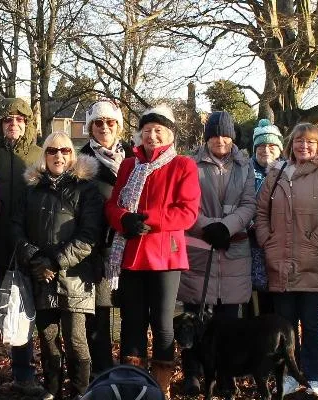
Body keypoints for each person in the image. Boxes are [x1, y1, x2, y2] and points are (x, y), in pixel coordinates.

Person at [105, 105, 199, 399]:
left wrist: (148, 219)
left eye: (158, 131)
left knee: (162, 322)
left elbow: (187, 213)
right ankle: (133, 384)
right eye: (147, 131)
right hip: (132, 253)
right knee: (132, 322)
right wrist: (123, 219)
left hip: (164, 255)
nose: (152, 136)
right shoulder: (128, 165)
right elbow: (113, 205)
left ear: (169, 134)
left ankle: (161, 387)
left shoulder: (183, 165)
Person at [256, 123, 318, 397]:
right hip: (280, 262)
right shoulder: (277, 173)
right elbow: (261, 212)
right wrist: (266, 241)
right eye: (298, 141)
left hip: (312, 264)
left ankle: (314, 375)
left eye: (309, 142)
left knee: (311, 324)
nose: (303, 146)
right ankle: (287, 377)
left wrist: (314, 241)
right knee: (284, 328)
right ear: (290, 144)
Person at [12, 131, 103, 399]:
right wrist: (34, 258)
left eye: (64, 151)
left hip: (74, 276)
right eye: (52, 151)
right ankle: (52, 392)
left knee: (76, 342)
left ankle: (80, 393)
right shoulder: (30, 190)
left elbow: (89, 236)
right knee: (48, 341)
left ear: (72, 155)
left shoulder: (86, 190)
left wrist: (56, 260)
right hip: (41, 276)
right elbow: (16, 228)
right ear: (44, 155)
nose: (58, 156)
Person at [176, 111, 256, 396]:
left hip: (234, 248)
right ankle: (193, 372)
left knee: (228, 320)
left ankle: (226, 375)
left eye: (225, 135)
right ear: (207, 137)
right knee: (194, 316)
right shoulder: (190, 164)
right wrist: (209, 227)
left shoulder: (244, 166)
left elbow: (249, 203)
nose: (220, 140)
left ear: (232, 136)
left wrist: (227, 227)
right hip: (200, 248)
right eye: (214, 135)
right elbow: (185, 202)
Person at [0, 97, 43, 394]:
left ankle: (23, 374)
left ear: (27, 123)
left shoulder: (39, 156)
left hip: (26, 243)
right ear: (0, 124)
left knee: (21, 308)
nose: (13, 124)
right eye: (7, 120)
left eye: (19, 120)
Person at [77, 99, 132, 377]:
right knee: (99, 315)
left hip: (132, 245)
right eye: (98, 122)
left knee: (130, 313)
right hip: (98, 248)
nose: (104, 127)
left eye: (110, 122)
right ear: (90, 127)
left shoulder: (135, 156)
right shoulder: (81, 162)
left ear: (118, 126)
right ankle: (102, 372)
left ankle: (128, 371)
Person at [249, 119, 284, 316]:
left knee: (275, 302)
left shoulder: (288, 172)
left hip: (278, 243)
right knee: (251, 300)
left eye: (271, 145)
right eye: (261, 145)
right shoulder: (245, 171)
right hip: (249, 243)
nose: (266, 150)